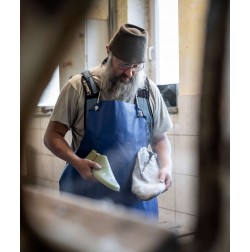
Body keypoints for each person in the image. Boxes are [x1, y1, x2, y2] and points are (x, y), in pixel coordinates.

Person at [44, 23, 173, 220]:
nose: (129, 74)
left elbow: (160, 140)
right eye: (123, 65)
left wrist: (166, 166)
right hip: (88, 199)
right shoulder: (79, 87)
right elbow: (52, 136)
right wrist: (76, 162)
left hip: (137, 203)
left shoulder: (149, 91)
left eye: (136, 67)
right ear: (109, 52)